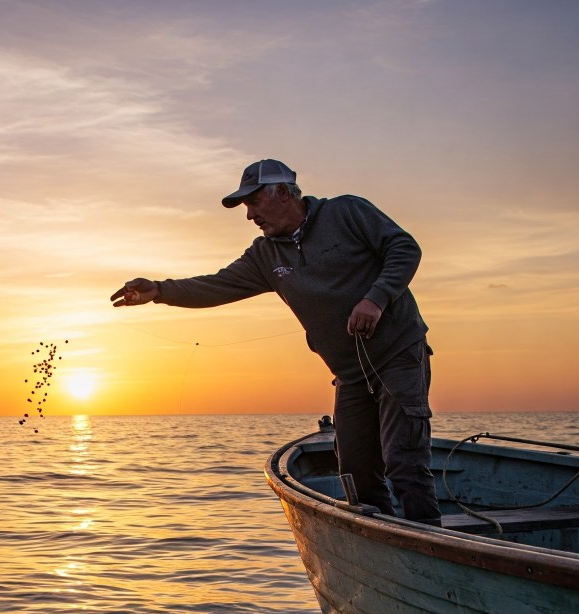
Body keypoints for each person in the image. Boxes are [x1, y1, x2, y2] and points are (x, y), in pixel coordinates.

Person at [110, 158, 441, 526]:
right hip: (350, 374)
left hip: (397, 354)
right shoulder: (266, 255)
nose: (250, 215)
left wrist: (375, 299)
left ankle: (435, 544)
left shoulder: (347, 211)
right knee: (356, 470)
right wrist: (159, 291)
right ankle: (388, 547)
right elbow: (216, 285)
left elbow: (404, 248)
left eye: (253, 203)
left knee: (404, 461)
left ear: (282, 192)